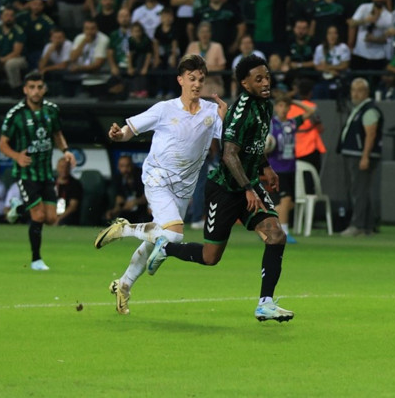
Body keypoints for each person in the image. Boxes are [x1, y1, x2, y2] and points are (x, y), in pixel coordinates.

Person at [142, 55, 294, 322]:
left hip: (248, 184)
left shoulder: (265, 106)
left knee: (276, 236)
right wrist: (247, 188)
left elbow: (254, 143)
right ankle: (166, 248)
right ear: (245, 84)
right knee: (210, 257)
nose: (265, 83)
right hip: (224, 189)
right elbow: (229, 154)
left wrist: (266, 167)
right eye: (258, 79)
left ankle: (265, 303)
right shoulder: (240, 111)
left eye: (267, 77)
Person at [93, 54, 226, 315]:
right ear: (180, 80)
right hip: (158, 178)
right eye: (191, 79)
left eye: (201, 79)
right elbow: (130, 129)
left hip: (184, 188)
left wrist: (227, 118)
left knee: (157, 240)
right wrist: (119, 135)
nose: (197, 84)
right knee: (173, 235)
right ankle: (126, 228)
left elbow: (230, 139)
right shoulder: (165, 109)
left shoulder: (211, 112)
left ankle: (124, 285)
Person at [0, 71, 77, 271]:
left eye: (39, 87)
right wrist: (16, 156)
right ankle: (36, 260)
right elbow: (2, 144)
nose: (36, 91)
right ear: (25, 90)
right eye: (32, 87)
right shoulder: (16, 114)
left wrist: (66, 151)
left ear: (44, 89)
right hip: (26, 173)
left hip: (46, 174)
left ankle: (18, 208)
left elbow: (57, 134)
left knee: (51, 218)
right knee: (38, 216)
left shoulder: (52, 110)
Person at [266, 96, 317, 244]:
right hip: (277, 168)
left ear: (289, 108)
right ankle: (284, 233)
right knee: (285, 199)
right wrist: (267, 147)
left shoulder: (292, 123)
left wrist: (293, 101)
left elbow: (311, 111)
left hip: (290, 168)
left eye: (286, 106)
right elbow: (263, 143)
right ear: (276, 107)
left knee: (287, 204)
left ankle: (268, 227)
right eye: (280, 105)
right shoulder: (271, 124)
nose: (283, 109)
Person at [338, 78, 383, 237]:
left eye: (359, 90)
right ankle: (367, 226)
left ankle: (357, 225)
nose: (355, 94)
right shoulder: (359, 109)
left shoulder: (369, 110)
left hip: (359, 155)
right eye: (353, 90)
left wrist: (365, 156)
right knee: (361, 191)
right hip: (354, 154)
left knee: (359, 192)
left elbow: (371, 135)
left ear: (367, 92)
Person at [105, 155, 149, 223]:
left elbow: (147, 197)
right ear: (118, 167)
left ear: (132, 166)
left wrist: (135, 202)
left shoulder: (141, 176)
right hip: (126, 212)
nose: (125, 169)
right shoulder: (118, 178)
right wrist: (113, 211)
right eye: (122, 166)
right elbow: (119, 200)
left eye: (127, 166)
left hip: (142, 210)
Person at [53, 157, 83, 226]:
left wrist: (58, 219)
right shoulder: (51, 183)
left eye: (66, 167)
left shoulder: (75, 184)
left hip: (67, 216)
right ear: (57, 168)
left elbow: (73, 206)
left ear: (70, 168)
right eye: (61, 167)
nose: (64, 170)